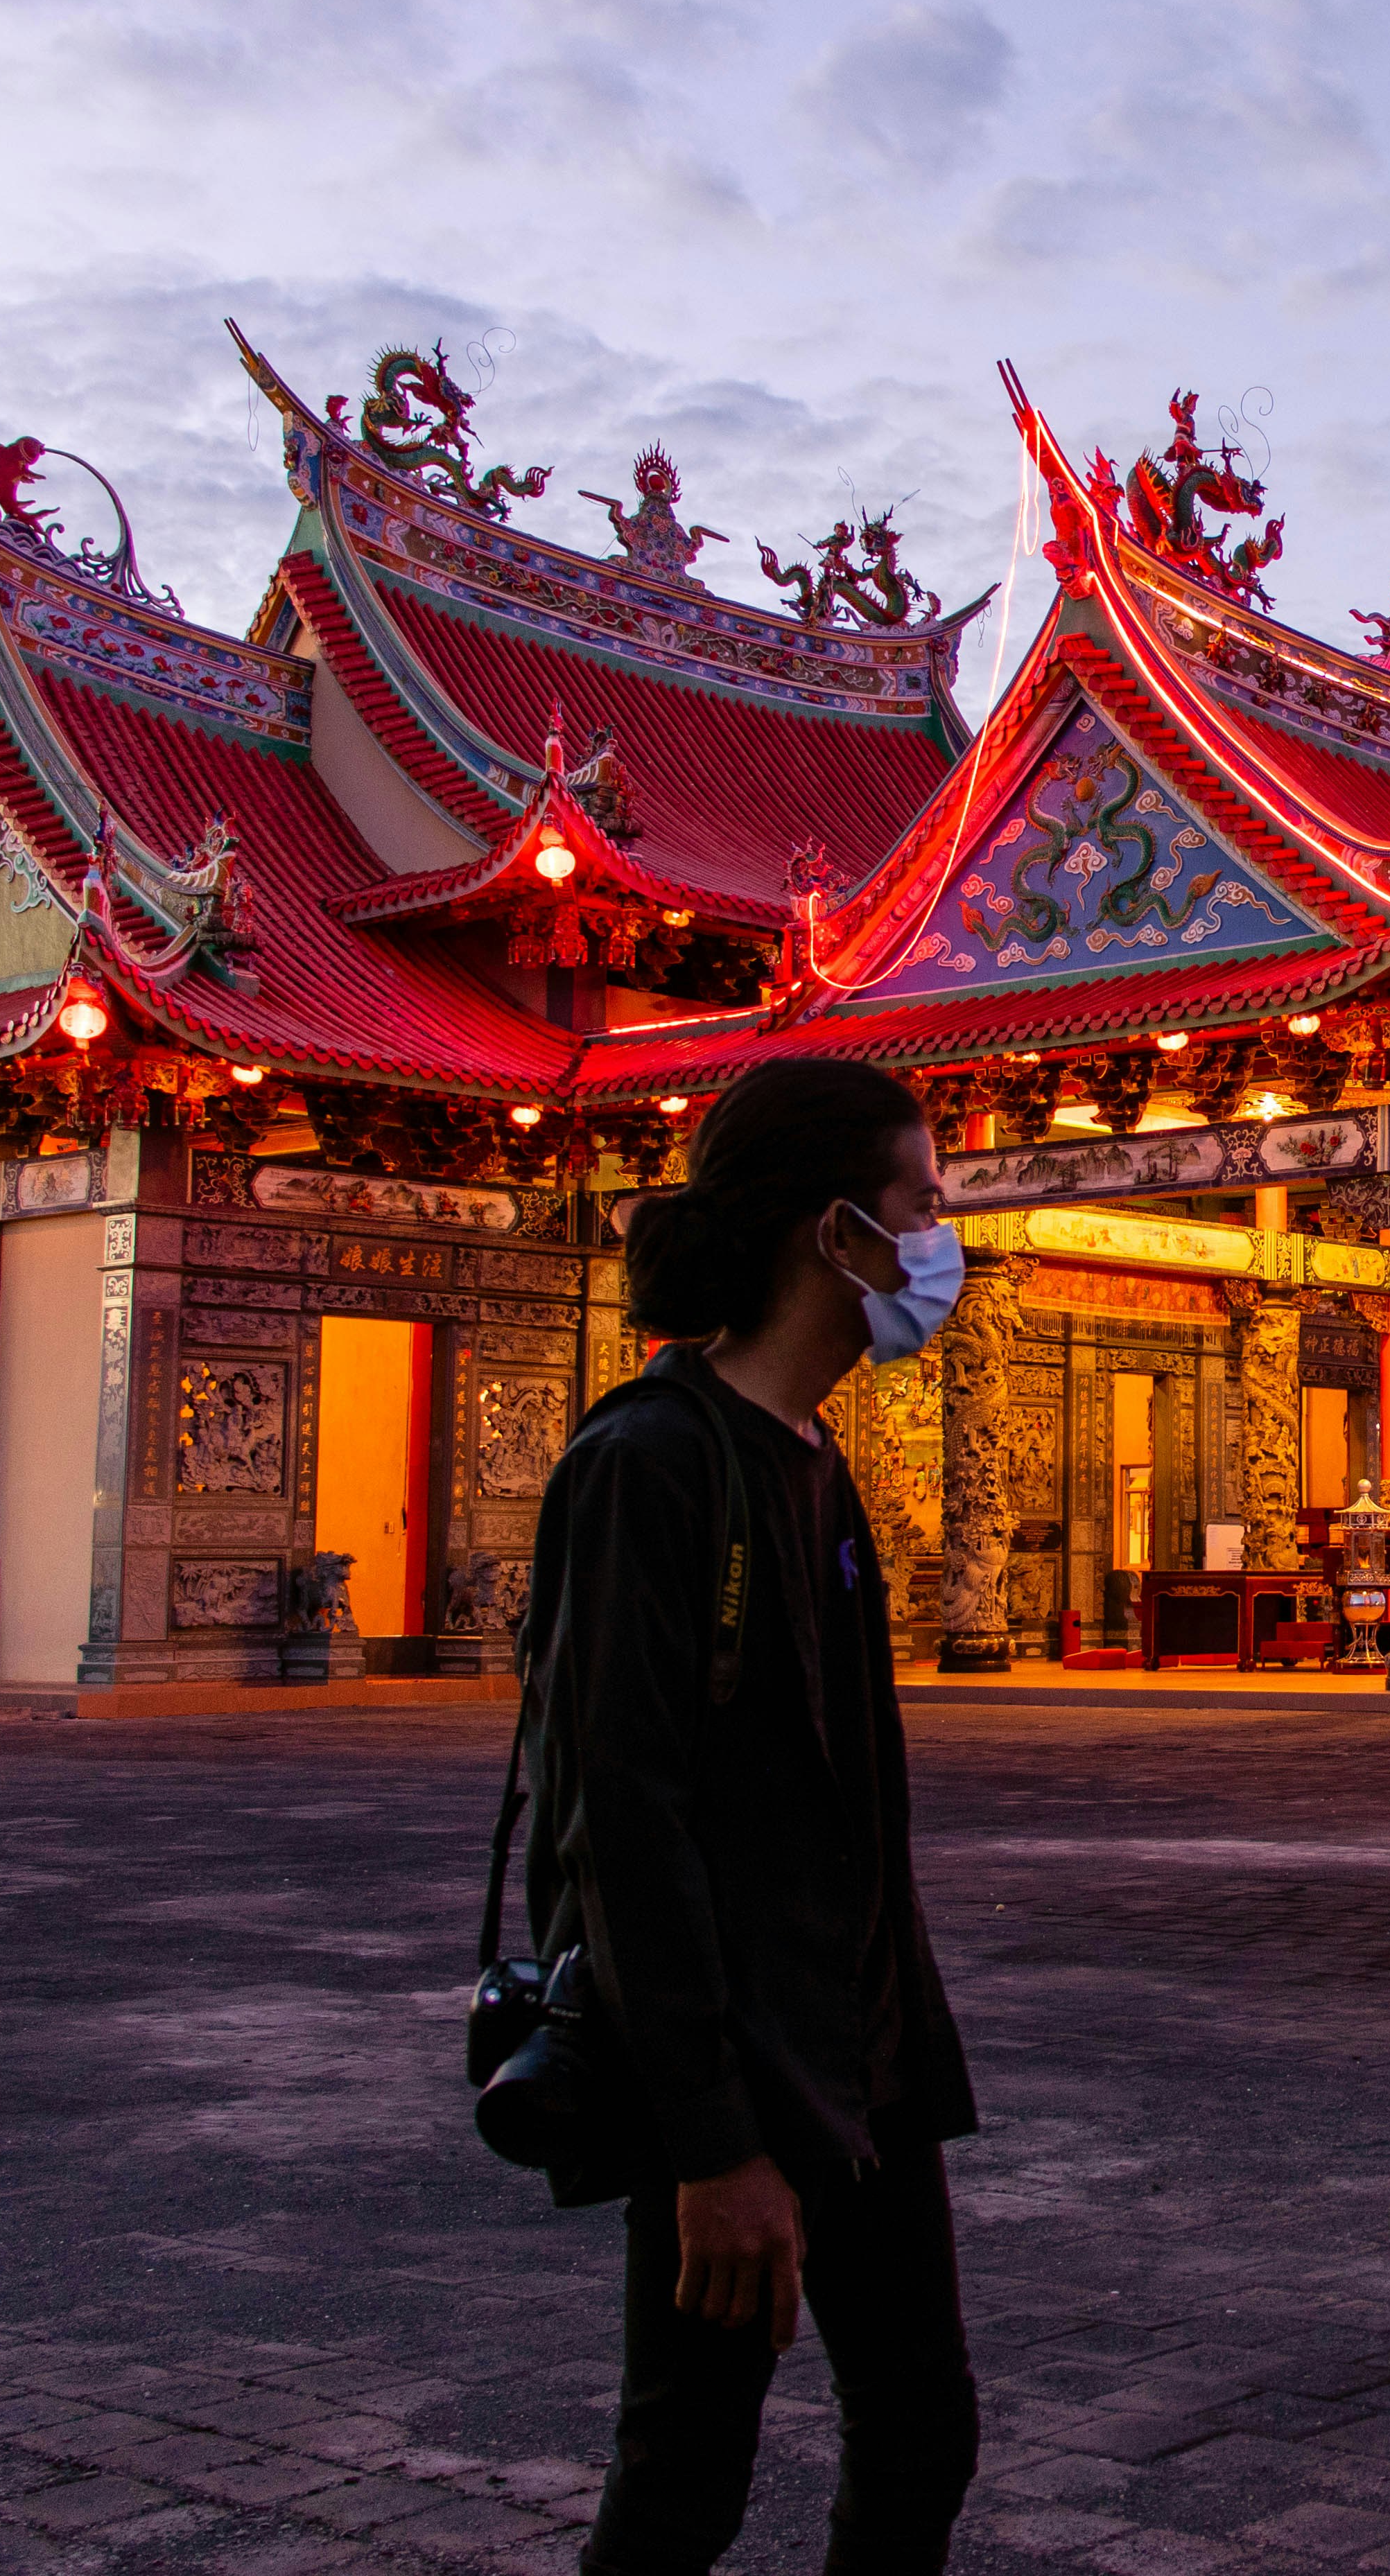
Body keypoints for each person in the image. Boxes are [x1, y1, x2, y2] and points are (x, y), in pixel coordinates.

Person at [518, 1057, 980, 2575]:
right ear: (835, 1233)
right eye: (921, 1201)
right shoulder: (647, 1464)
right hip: (730, 2077)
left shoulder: (815, 1460)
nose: (940, 1239)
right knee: (687, 2478)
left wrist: (900, 2048)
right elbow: (623, 1829)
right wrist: (712, 2146)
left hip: (860, 2059)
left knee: (921, 2431)